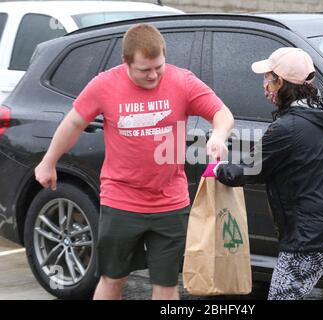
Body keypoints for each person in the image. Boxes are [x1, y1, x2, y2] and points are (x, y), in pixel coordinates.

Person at [34, 23, 234, 300]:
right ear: (125, 62)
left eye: (159, 67)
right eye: (144, 70)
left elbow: (222, 112)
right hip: (121, 200)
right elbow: (74, 123)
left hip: (170, 203)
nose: (153, 75)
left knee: (166, 284)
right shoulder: (105, 85)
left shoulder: (182, 81)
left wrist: (220, 135)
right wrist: (48, 161)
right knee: (112, 279)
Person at [212, 47, 323, 300]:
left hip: (309, 237)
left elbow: (250, 170)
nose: (264, 85)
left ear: (282, 83)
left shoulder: (287, 127)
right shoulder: (321, 115)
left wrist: (219, 168)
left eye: (268, 79)